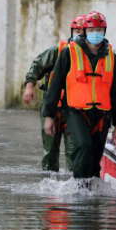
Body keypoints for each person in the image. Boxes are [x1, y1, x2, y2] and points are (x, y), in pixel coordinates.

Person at [43, 11, 116, 179]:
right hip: (75, 112)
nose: (96, 34)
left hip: (102, 115)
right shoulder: (69, 53)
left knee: (95, 158)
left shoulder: (112, 58)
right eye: (92, 30)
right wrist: (49, 116)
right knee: (82, 145)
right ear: (86, 31)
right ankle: (79, 188)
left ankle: (91, 194)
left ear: (105, 32)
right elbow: (55, 85)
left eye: (100, 30)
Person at [22, 15, 85, 171]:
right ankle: (49, 186)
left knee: (74, 152)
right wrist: (29, 86)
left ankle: (74, 185)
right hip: (52, 108)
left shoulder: (90, 57)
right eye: (77, 31)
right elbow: (37, 65)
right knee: (50, 152)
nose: (80, 35)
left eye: (83, 32)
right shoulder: (58, 51)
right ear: (72, 32)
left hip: (75, 111)